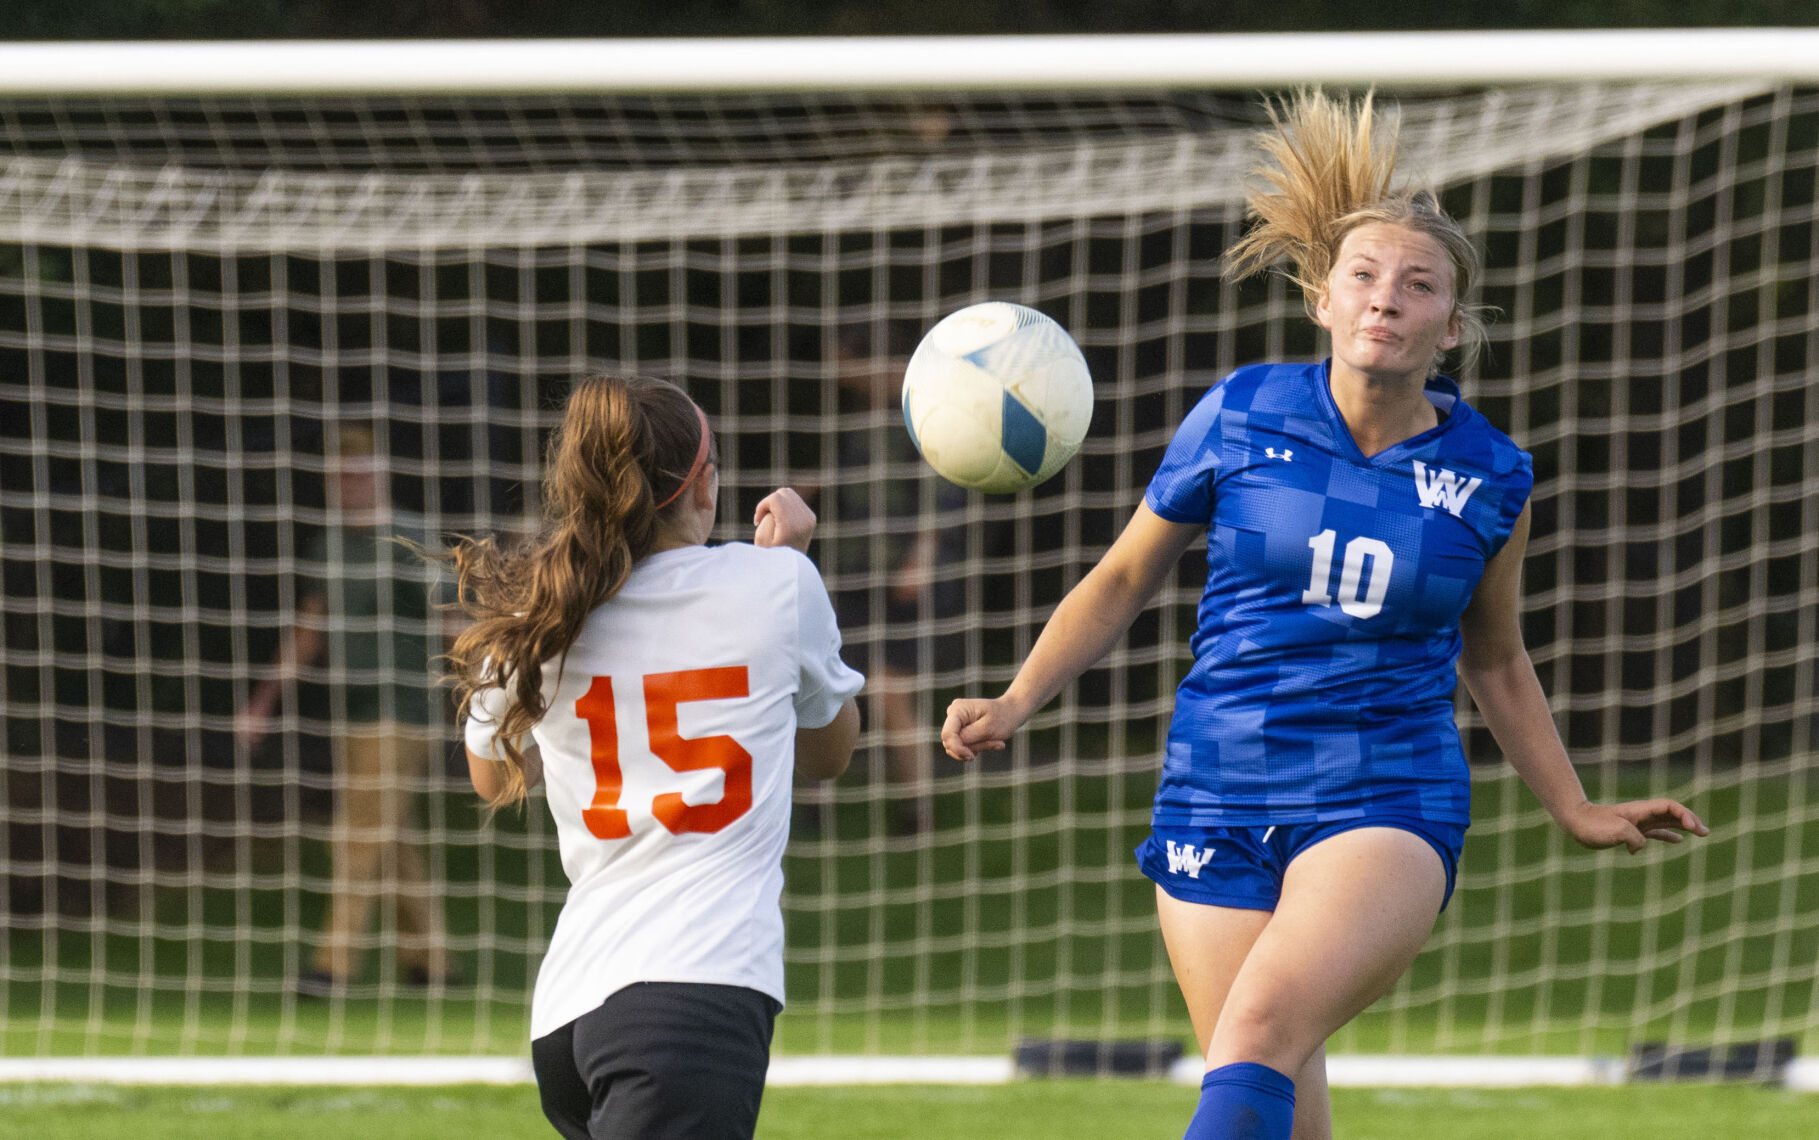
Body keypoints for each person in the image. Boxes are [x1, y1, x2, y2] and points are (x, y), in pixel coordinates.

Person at [940, 91, 1709, 1140]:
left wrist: (1572, 805)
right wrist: (1017, 699)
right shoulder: (1241, 410)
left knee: (1254, 1033)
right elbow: (1122, 578)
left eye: (1417, 285)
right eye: (1364, 276)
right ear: (1321, 299)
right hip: (1213, 787)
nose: (1385, 299)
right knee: (1276, 1107)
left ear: (1452, 322)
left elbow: (1495, 660)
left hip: (1382, 791)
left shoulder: (1489, 475)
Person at [449, 374, 862, 1140]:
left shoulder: (539, 605)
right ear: (702, 483)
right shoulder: (776, 583)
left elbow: (494, 775)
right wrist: (793, 565)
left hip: (572, 1009)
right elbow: (830, 753)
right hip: (691, 998)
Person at [239, 424, 454, 996]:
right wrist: (262, 704)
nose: (353, 484)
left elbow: (453, 621)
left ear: (381, 475)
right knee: (391, 836)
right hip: (353, 709)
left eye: (364, 473)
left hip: (405, 708)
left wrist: (490, 686)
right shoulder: (328, 544)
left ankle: (331, 968)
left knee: (355, 834)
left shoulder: (411, 537)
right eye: (343, 475)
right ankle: (432, 965)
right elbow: (309, 629)